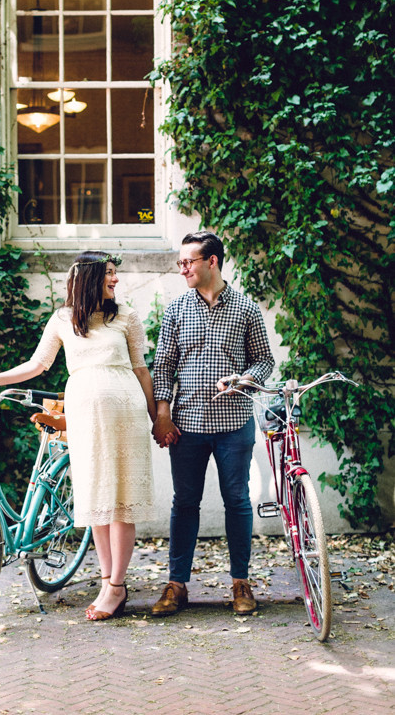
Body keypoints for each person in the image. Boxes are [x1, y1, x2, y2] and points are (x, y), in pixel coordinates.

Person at [0, 251, 156, 621]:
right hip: (86, 416)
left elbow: (141, 370)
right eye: (110, 274)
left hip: (126, 416)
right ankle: (106, 581)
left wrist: (156, 419)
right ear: (89, 278)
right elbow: (37, 364)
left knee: (122, 501)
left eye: (116, 274)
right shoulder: (63, 319)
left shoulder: (127, 317)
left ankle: (116, 585)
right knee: (98, 500)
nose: (116, 281)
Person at [150, 231, 275, 617]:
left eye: (189, 261)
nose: (182, 268)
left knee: (237, 501)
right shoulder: (176, 310)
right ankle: (176, 585)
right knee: (184, 502)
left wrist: (241, 378)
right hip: (185, 425)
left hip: (234, 424)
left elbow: (265, 361)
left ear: (212, 262)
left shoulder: (246, 309)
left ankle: (241, 582)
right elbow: (163, 366)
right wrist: (162, 412)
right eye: (181, 262)